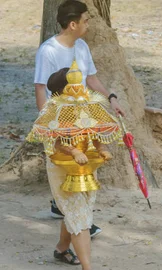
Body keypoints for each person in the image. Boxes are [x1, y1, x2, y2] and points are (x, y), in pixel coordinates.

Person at [34, 0, 124, 237]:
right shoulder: (49, 51)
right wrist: (49, 124)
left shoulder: (82, 46)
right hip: (61, 120)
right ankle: (80, 221)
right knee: (69, 166)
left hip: (83, 119)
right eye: (86, 20)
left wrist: (111, 98)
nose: (89, 24)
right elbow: (41, 88)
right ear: (72, 24)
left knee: (84, 167)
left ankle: (65, 212)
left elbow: (91, 80)